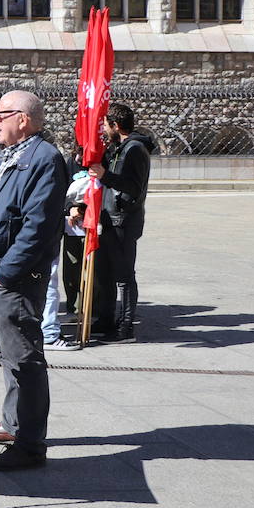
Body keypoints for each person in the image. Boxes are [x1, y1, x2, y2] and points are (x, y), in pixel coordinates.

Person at [0, 90, 69, 471]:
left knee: (25, 359)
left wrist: (7, 273)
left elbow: (38, 226)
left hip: (16, 278)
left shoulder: (44, 158)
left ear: (22, 119)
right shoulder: (14, 154)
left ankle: (30, 445)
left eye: (1, 115)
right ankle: (13, 423)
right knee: (8, 354)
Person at [88, 102, 156, 343]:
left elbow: (133, 186)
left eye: (106, 125)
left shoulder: (135, 149)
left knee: (124, 274)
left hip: (124, 219)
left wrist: (105, 176)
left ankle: (126, 327)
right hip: (110, 217)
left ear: (116, 125)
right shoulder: (120, 147)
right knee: (105, 271)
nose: (105, 130)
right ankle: (106, 320)